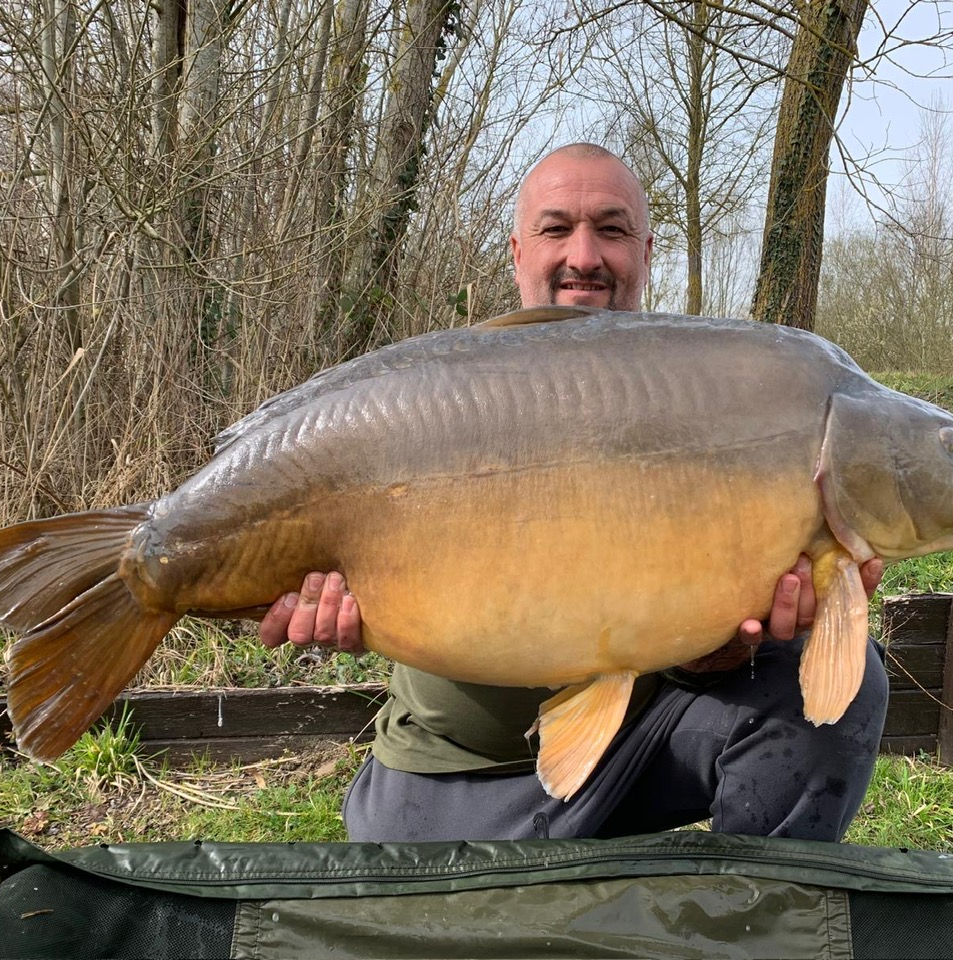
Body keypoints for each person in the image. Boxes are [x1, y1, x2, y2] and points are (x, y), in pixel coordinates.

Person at [260, 143, 888, 843]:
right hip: (456, 768)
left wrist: (724, 643)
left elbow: (681, 626)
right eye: (557, 228)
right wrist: (325, 610)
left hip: (642, 745)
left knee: (841, 679)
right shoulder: (437, 393)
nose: (584, 257)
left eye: (612, 230)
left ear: (645, 252)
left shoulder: (703, 396)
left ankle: (749, 903)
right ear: (517, 252)